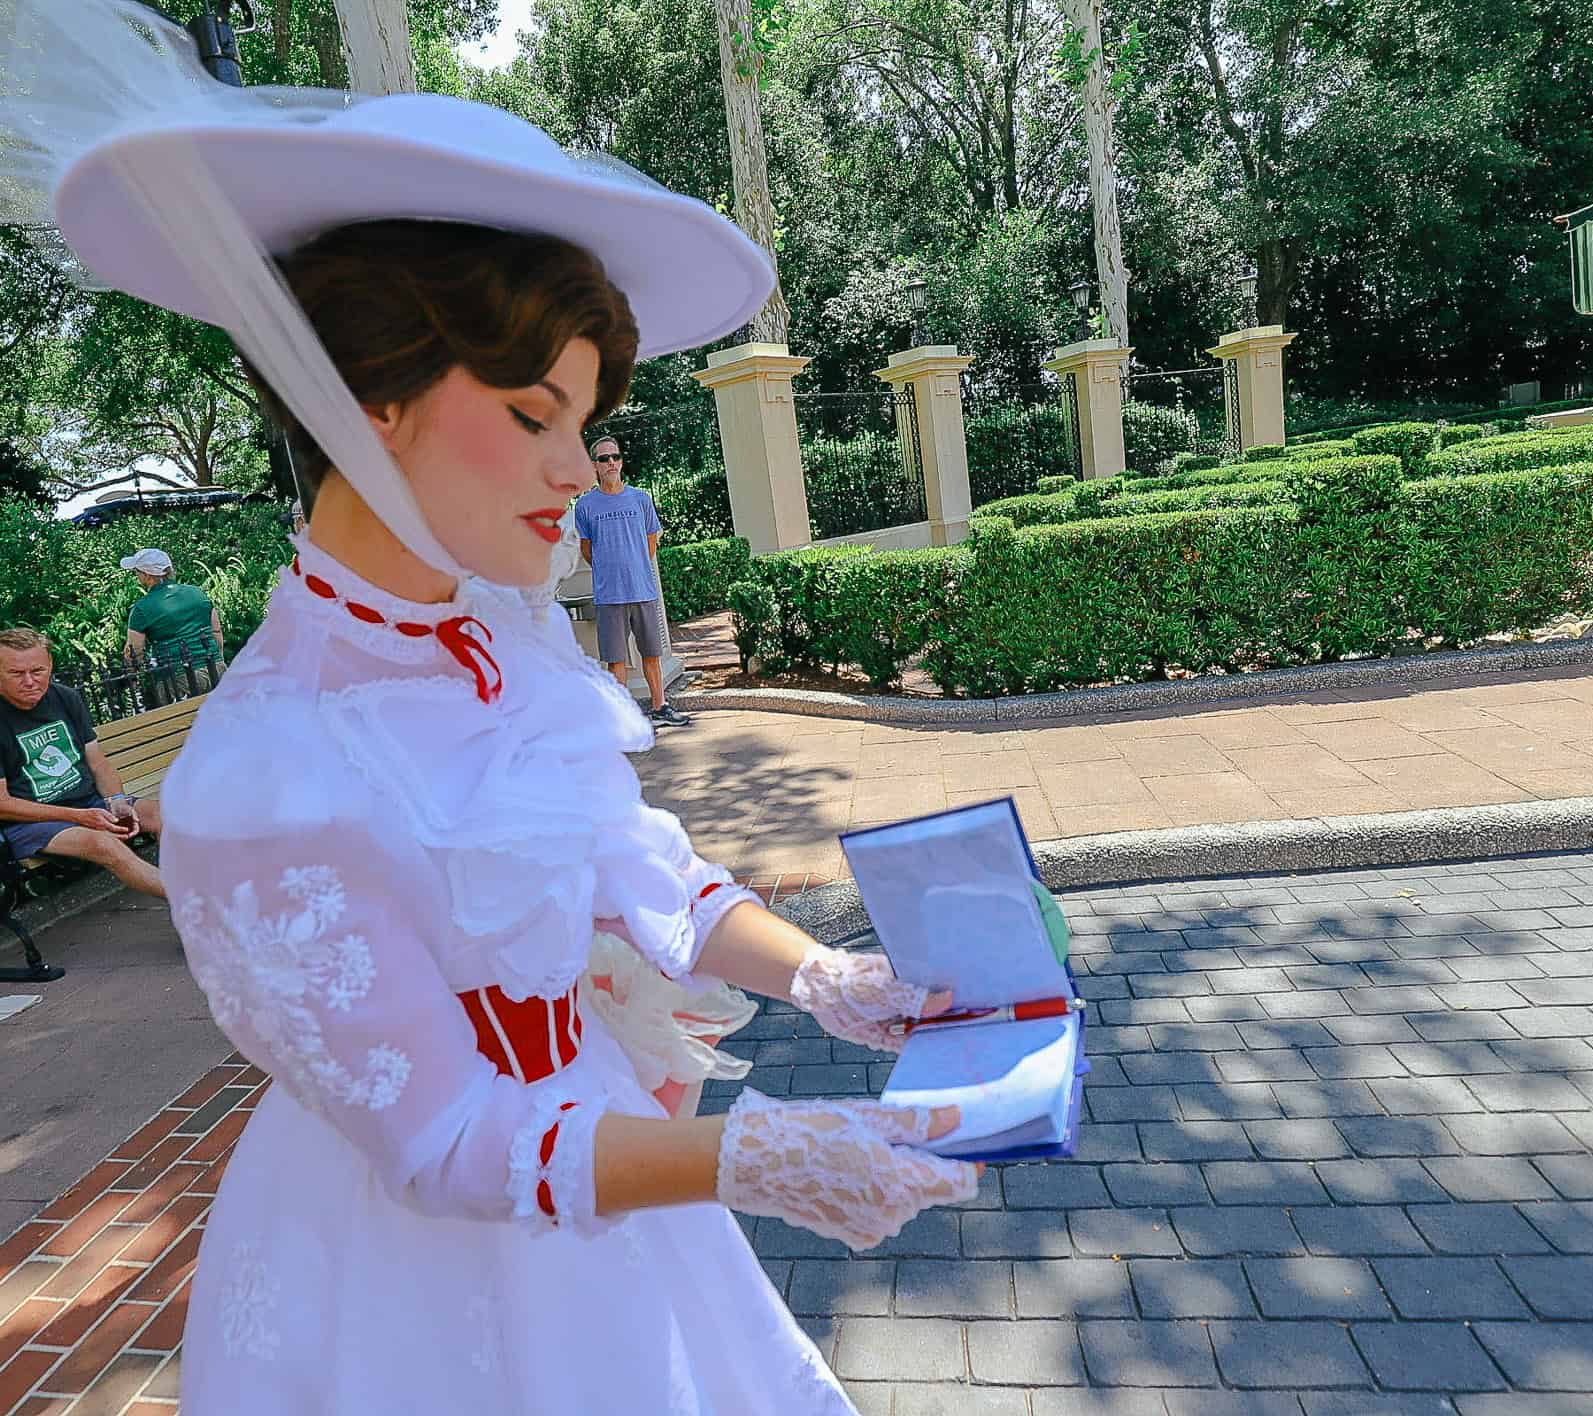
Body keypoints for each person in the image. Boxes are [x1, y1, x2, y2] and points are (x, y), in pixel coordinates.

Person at [0, 4, 977, 1411]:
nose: (577, 468)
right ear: (369, 401)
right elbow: (450, 1140)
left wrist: (823, 978)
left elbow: (637, 871)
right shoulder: (271, 768)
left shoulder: (502, 646)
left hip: (617, 1182)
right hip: (418, 1276)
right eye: (532, 415)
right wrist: (748, 1159)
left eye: (581, 422)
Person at [0, 628, 163, 899]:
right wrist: (77, 817)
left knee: (165, 815)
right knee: (104, 845)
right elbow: (3, 805)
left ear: (50, 665)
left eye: (38, 671)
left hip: (89, 804)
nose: (29, 681)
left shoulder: (65, 697)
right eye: (16, 674)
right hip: (31, 823)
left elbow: (98, 764)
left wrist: (117, 801)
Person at [573, 435, 691, 728]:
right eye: (604, 458)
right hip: (608, 595)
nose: (610, 462)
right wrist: (611, 570)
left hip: (642, 590)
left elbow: (651, 543)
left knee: (651, 653)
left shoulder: (641, 499)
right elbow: (587, 549)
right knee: (615, 660)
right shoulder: (585, 506)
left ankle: (660, 707)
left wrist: (633, 566)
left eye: (615, 456)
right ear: (595, 466)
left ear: (621, 461)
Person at [120, 547, 223, 702]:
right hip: (215, 666)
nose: (137, 576)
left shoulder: (142, 608)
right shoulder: (197, 593)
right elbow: (216, 631)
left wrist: (133, 677)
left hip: (178, 678)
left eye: (137, 572)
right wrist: (217, 657)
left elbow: (135, 652)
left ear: (147, 575)